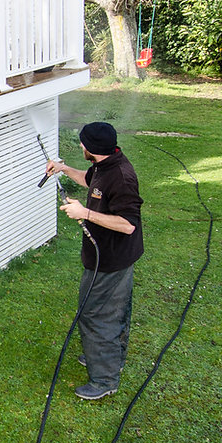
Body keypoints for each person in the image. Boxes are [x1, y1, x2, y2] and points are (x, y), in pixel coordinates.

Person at [45, 121, 144, 400]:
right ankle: (111, 358)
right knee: (114, 311)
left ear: (93, 148)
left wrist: (85, 213)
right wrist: (64, 169)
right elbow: (90, 182)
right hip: (107, 257)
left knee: (96, 315)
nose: (80, 146)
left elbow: (127, 225)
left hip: (111, 259)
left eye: (83, 143)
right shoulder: (105, 164)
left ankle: (104, 380)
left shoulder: (122, 177)